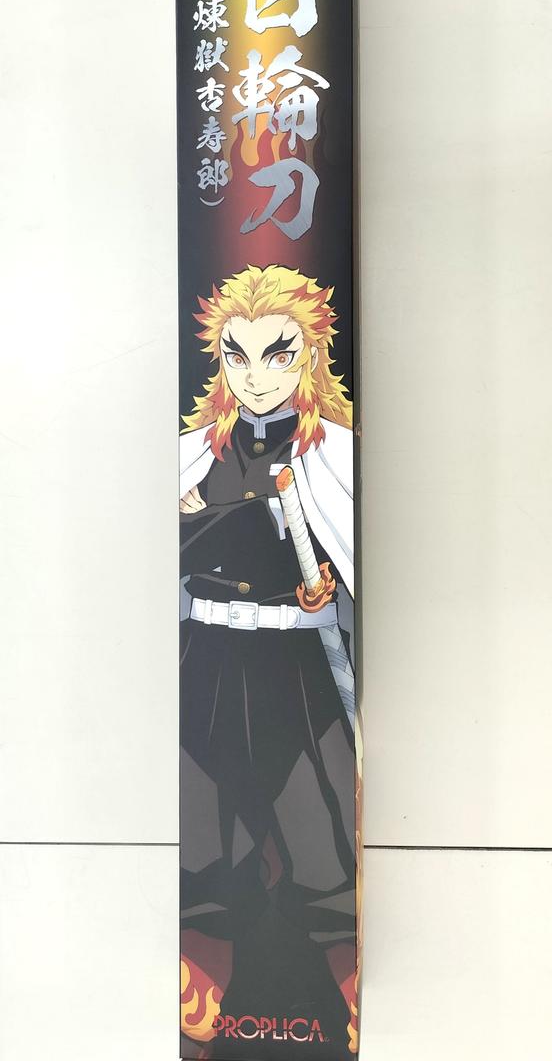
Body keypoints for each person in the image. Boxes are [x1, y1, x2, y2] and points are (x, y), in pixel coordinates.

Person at [179, 264, 358, 1055]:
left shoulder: (334, 454)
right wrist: (220, 521)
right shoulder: (194, 452)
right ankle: (200, 995)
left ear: (310, 353)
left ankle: (344, 995)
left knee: (320, 832)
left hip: (296, 661)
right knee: (205, 836)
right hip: (206, 656)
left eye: (277, 353)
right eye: (237, 355)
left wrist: (334, 595)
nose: (255, 376)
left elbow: (353, 556)